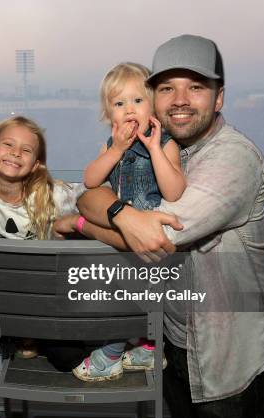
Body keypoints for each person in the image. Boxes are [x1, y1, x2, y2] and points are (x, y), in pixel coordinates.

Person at [58, 34, 264, 418]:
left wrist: (87, 224)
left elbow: (158, 239)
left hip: (225, 359)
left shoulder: (231, 158)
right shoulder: (168, 146)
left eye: (195, 88)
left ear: (219, 98)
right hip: (173, 340)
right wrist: (119, 212)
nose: (179, 99)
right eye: (166, 88)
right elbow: (88, 194)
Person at [73, 62, 185, 382]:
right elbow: (91, 180)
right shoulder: (112, 146)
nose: (129, 109)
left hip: (151, 234)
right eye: (119, 103)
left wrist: (154, 150)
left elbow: (175, 191)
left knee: (132, 296)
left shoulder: (165, 145)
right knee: (121, 293)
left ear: (153, 107)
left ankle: (110, 354)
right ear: (109, 114)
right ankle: (150, 346)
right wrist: (117, 149)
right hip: (122, 230)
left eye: (137, 100)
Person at [0, 115, 85, 358]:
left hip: (41, 288)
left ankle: (30, 334)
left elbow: (89, 193)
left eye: (26, 150)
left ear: (36, 164)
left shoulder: (51, 195)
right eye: (8, 144)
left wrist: (72, 223)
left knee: (68, 358)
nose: (15, 153)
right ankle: (20, 334)